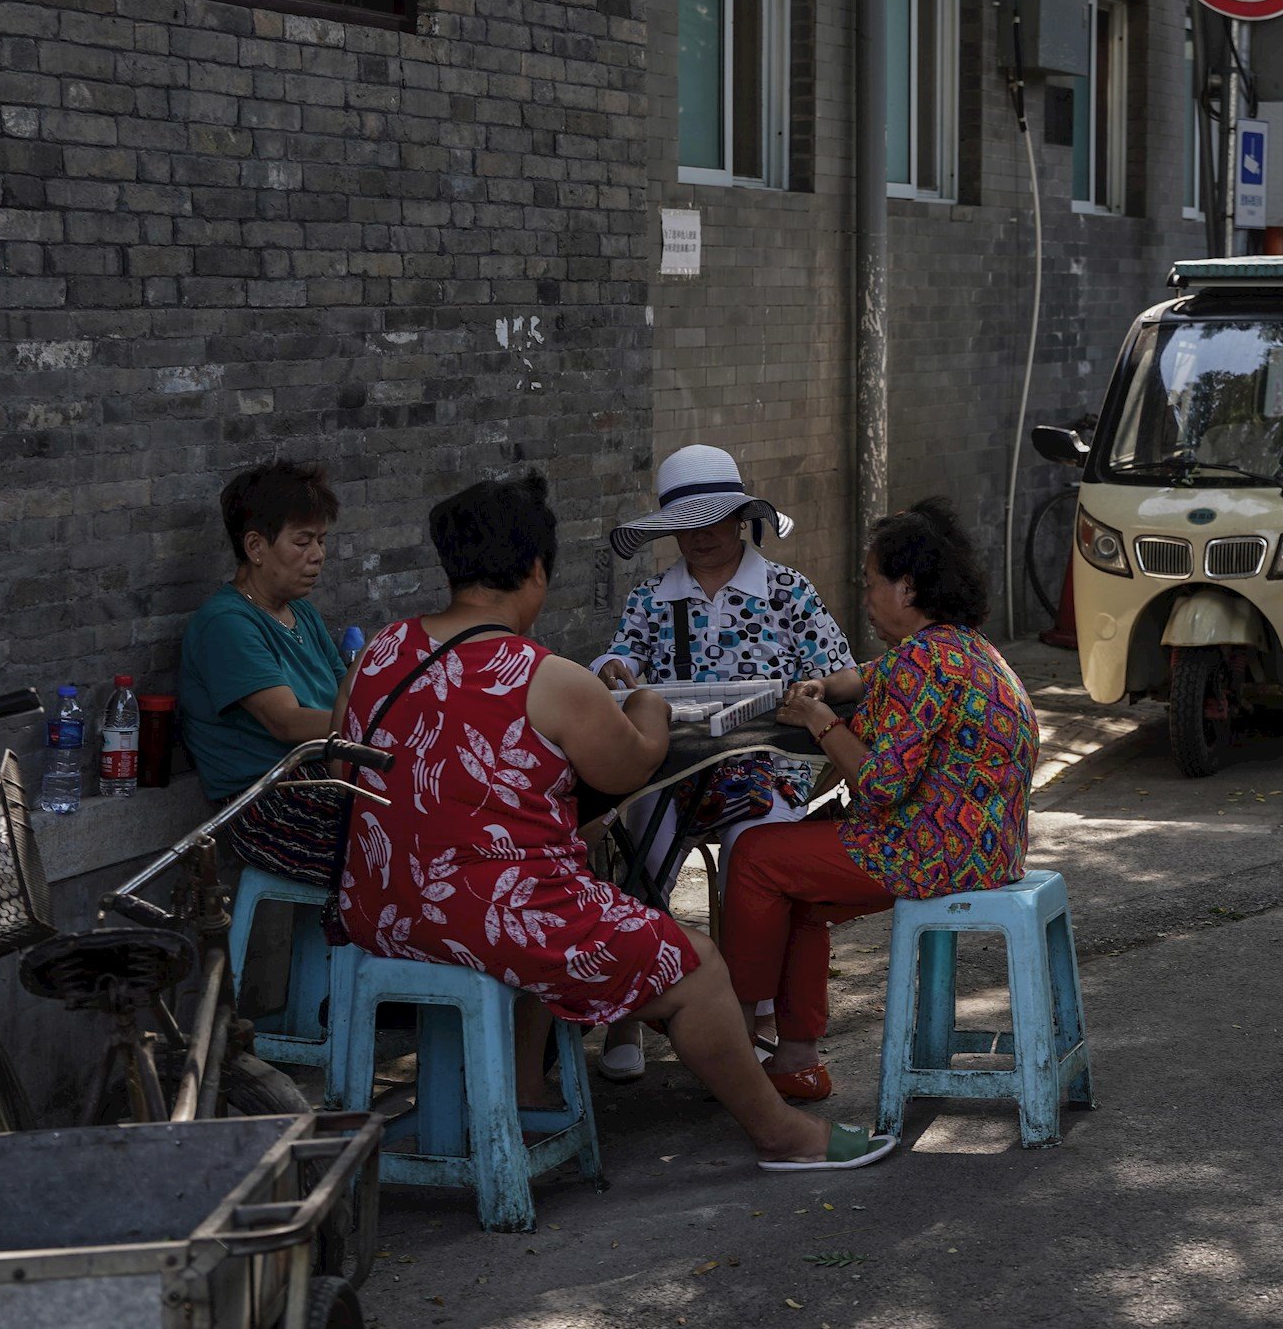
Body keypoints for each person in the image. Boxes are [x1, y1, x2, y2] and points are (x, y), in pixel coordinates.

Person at [333, 471, 893, 1172]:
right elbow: (629, 768)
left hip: (377, 909)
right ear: (536, 571)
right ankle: (782, 1134)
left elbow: (346, 767)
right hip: (491, 919)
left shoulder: (375, 654)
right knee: (696, 964)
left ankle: (530, 1087)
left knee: (572, 868)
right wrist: (649, 711)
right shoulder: (546, 675)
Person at [722, 499, 1039, 1103]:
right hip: (989, 848)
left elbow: (881, 785)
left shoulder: (926, 661)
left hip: (931, 850)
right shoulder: (965, 648)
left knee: (759, 854)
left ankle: (735, 1035)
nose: (865, 597)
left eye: (871, 585)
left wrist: (817, 719)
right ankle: (795, 1060)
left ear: (908, 587)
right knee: (801, 884)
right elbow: (867, 675)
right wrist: (826, 686)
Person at [587, 445, 857, 1081]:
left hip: (765, 766)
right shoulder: (654, 596)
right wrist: (614, 671)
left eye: (713, 521)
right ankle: (630, 1010)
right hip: (670, 766)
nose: (700, 538)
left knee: (754, 849)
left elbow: (841, 672)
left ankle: (749, 1007)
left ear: (740, 519)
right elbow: (616, 660)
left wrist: (813, 692)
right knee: (643, 848)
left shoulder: (788, 592)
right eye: (686, 526)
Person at [179, 460, 350, 882]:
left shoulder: (302, 614)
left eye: (322, 540)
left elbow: (347, 691)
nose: (318, 555)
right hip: (270, 802)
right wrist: (379, 726)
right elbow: (286, 722)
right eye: (303, 541)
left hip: (324, 775)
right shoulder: (227, 623)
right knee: (410, 838)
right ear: (255, 547)